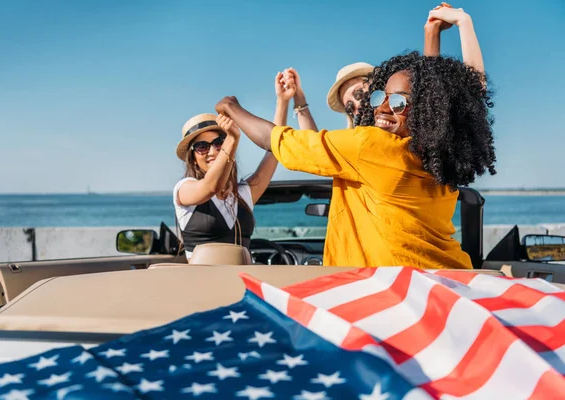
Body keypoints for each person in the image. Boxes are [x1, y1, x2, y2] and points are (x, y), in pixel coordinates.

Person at [215, 51, 497, 270]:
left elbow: (282, 142)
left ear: (428, 107)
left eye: (397, 102)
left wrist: (231, 106)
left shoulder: (371, 146)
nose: (380, 107)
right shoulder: (442, 155)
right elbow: (318, 149)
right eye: (379, 98)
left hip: (394, 289)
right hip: (448, 277)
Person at [280, 3, 484, 130]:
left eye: (360, 94)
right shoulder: (355, 147)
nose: (357, 106)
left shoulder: (416, 129)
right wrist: (297, 100)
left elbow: (470, 94)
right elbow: (314, 148)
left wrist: (462, 23)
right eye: (350, 107)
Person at [173, 71, 294, 260]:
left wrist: (283, 101)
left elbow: (274, 151)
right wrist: (231, 139)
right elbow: (211, 187)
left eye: (218, 142)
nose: (212, 151)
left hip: (241, 285)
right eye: (202, 146)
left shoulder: (243, 195)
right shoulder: (184, 190)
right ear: (192, 157)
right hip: (200, 286)